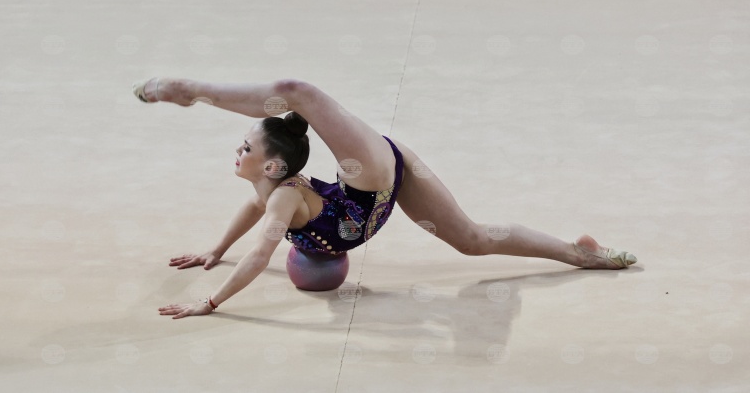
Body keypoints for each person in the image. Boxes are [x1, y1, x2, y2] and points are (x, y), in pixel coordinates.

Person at [132, 77, 637, 320]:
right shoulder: (271, 192)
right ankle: (579, 253)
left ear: (271, 166)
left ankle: (192, 91)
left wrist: (210, 303)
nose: (236, 151)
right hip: (388, 178)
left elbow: (262, 252)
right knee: (472, 240)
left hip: (368, 175)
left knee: (298, 92)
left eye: (246, 147)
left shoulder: (282, 199)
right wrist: (216, 249)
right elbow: (252, 210)